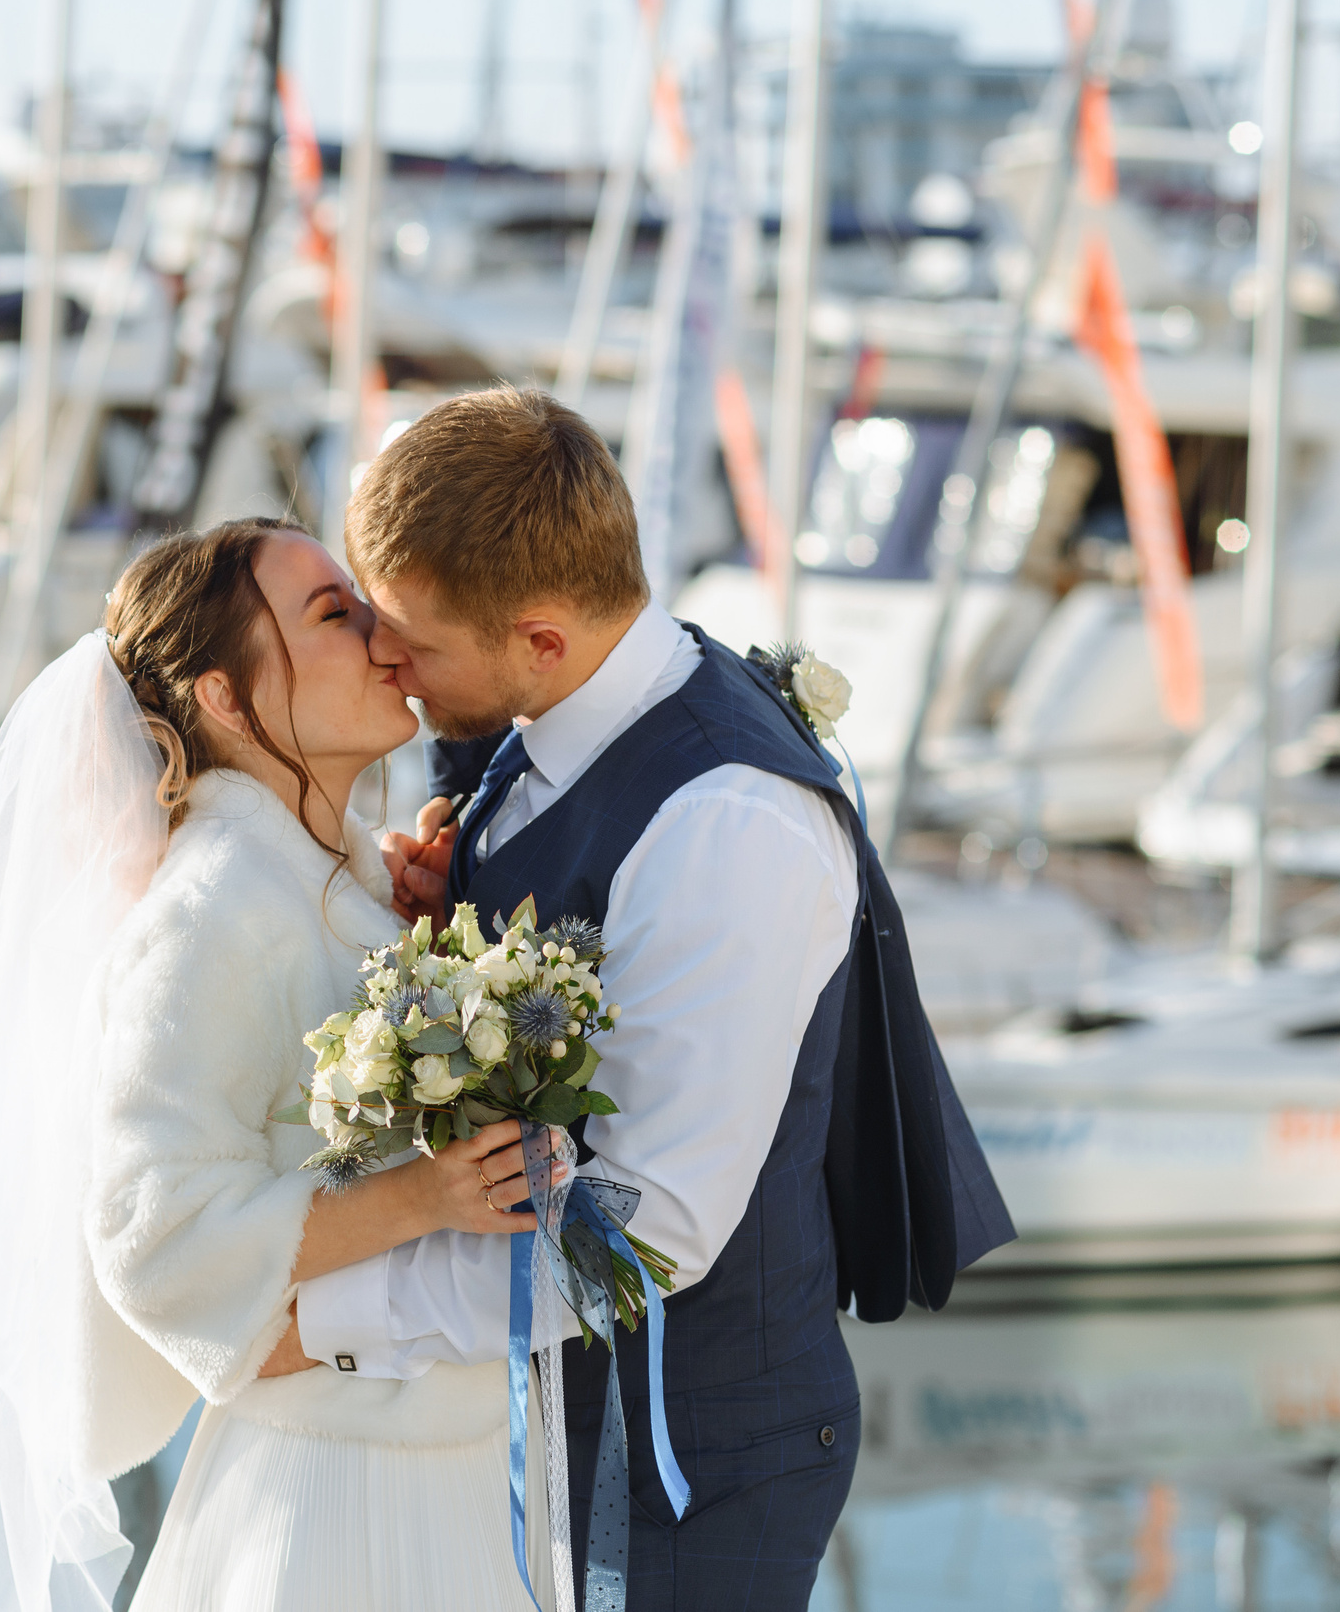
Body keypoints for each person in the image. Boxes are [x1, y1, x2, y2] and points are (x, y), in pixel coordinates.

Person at [301, 384, 1013, 1609]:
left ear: (537, 636)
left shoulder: (724, 826)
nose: (383, 653)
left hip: (686, 1476)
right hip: (538, 1429)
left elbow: (650, 1223)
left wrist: (328, 1314)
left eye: (410, 638)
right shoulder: (564, 706)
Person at [0, 517, 558, 1612]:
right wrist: (420, 1197)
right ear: (225, 697)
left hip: (453, 1471)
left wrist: (425, 917)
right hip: (332, 1509)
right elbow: (153, 1239)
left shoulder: (341, 881)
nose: (382, 638)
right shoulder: (213, 911)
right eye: (333, 613)